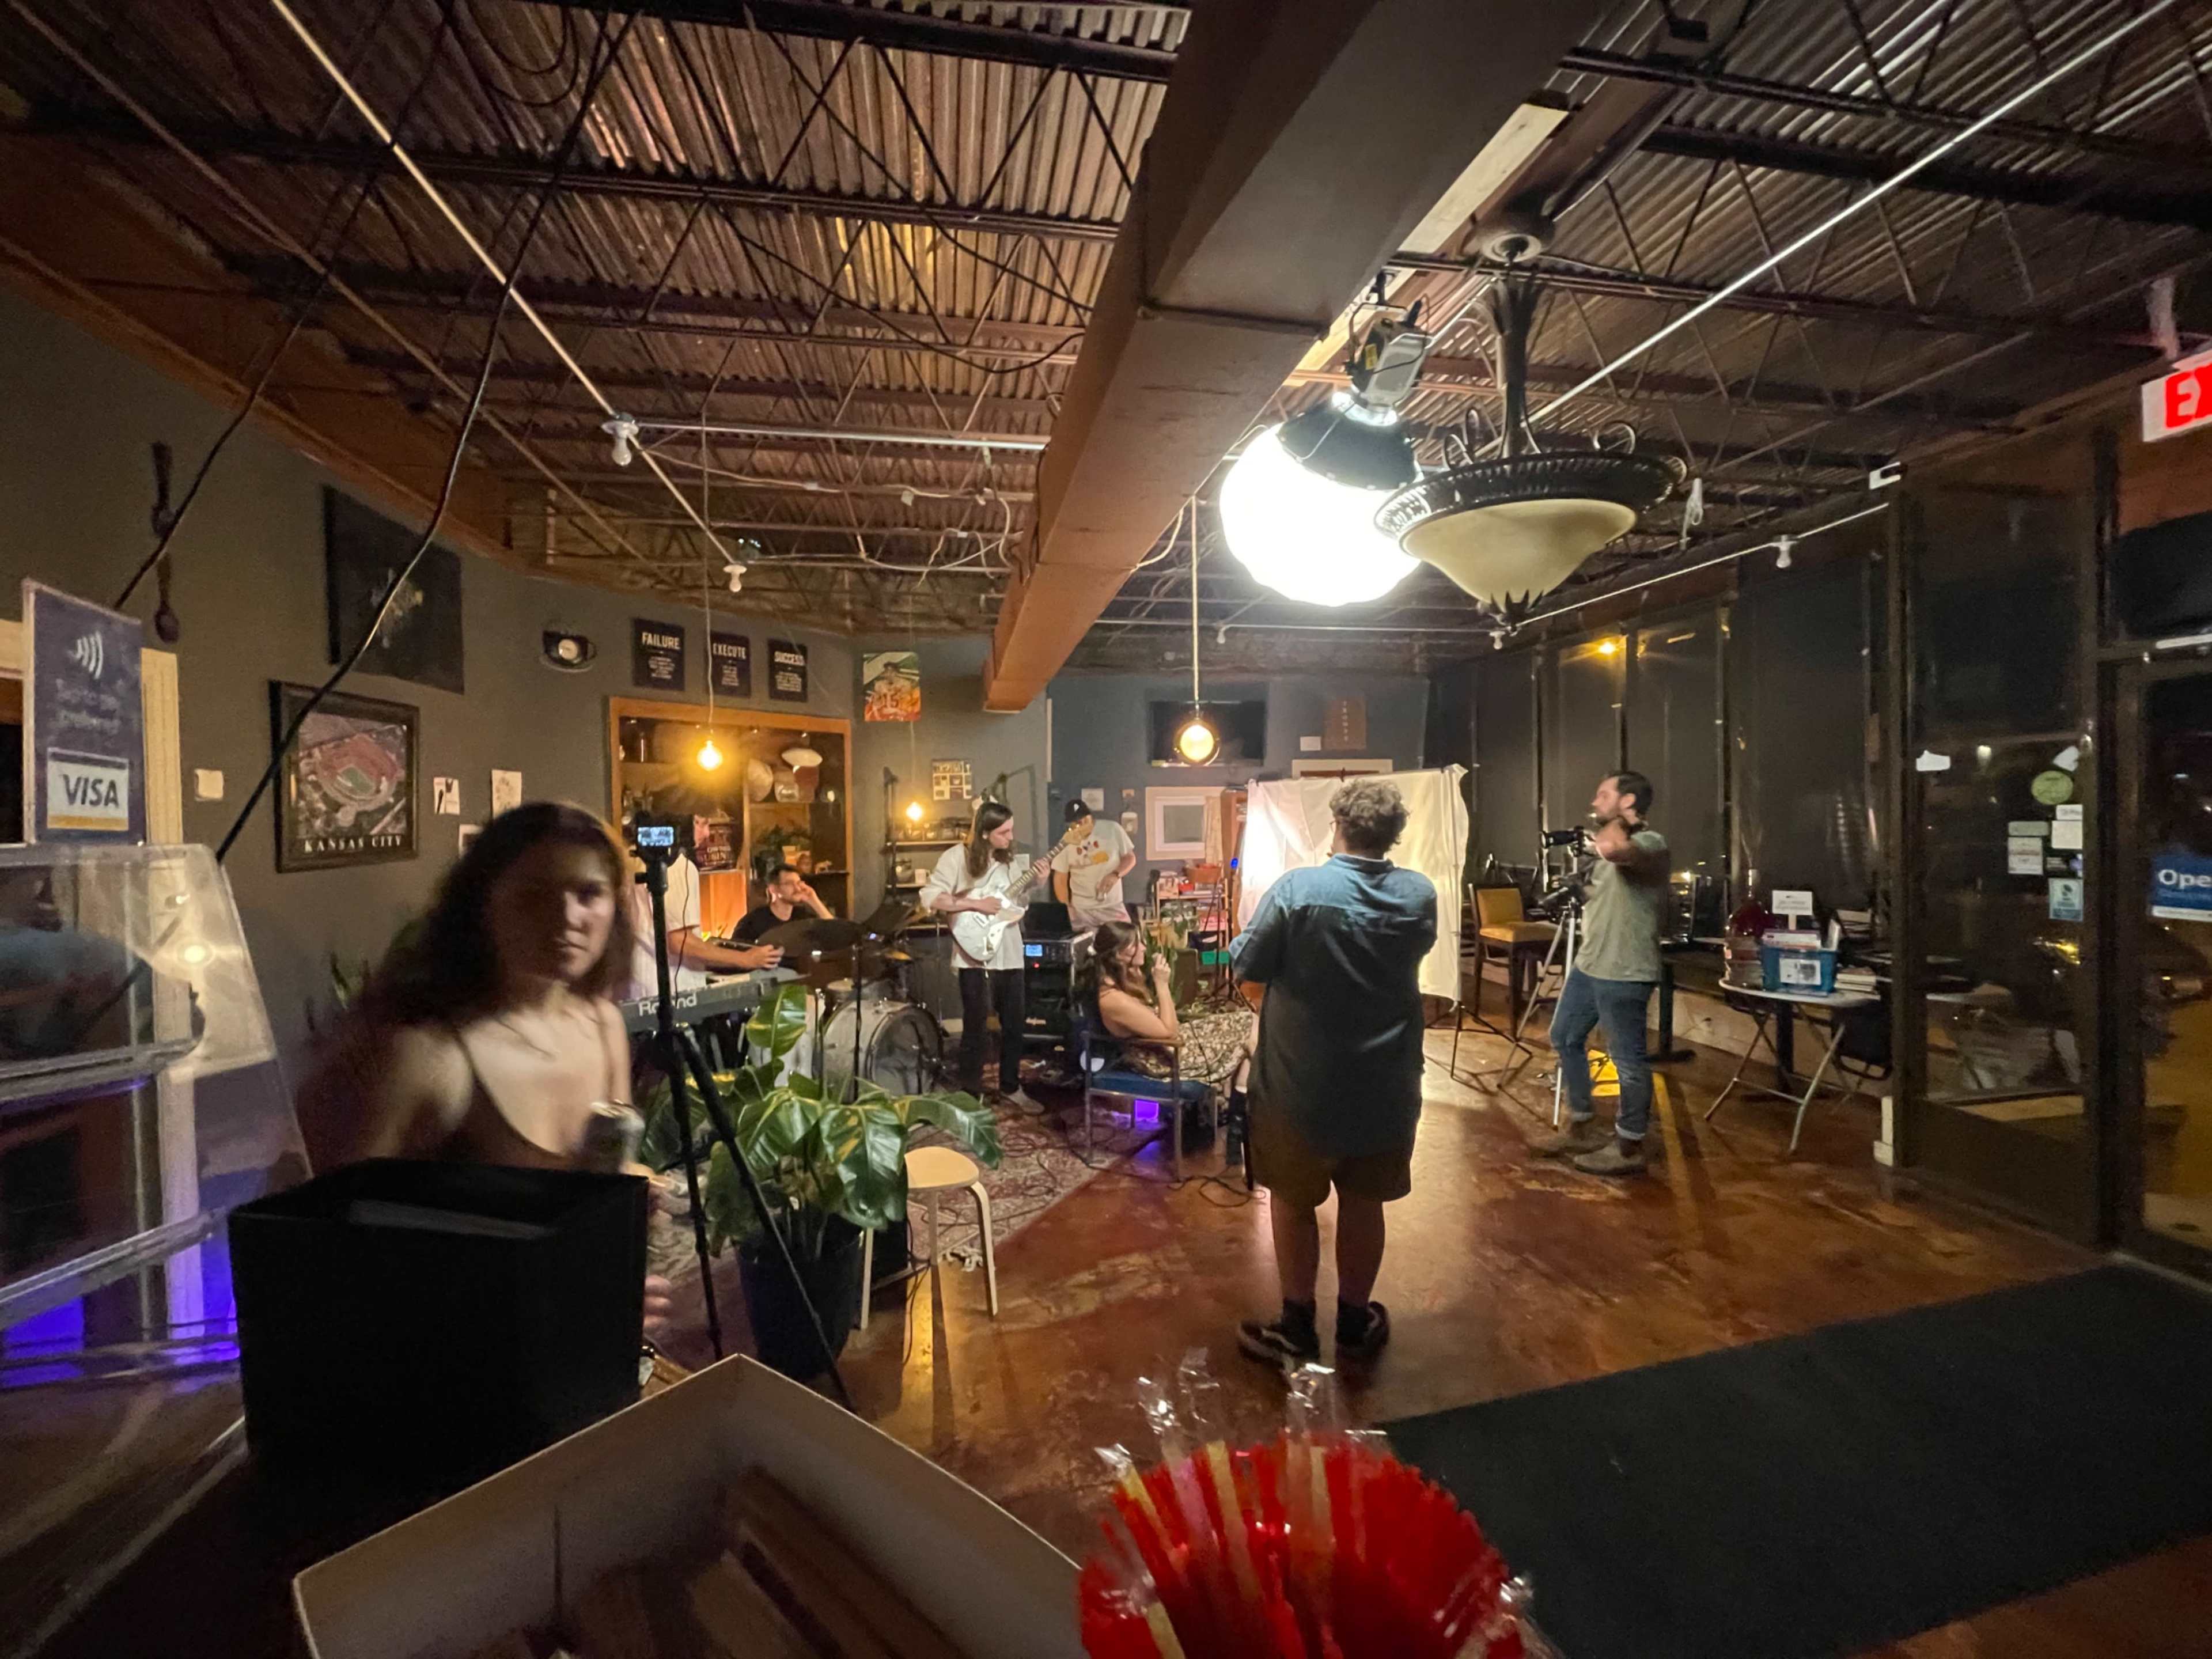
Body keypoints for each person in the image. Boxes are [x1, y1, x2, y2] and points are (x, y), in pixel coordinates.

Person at [297, 802, 673, 1331]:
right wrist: (558, 1295)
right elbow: (326, 1252)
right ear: (481, 902)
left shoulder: (602, 1024)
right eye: (535, 895)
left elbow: (584, 1190)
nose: (568, 918)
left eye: (589, 894)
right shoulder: (426, 1056)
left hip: (566, 1340)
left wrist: (626, 1204)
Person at [1229, 778, 1436, 1369]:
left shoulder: (1298, 890)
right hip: (1386, 1081)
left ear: (1337, 825)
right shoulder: (1419, 895)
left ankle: (1297, 1327)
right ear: (1393, 834)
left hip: (1300, 1082)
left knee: (1292, 1200)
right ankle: (1354, 1319)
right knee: (1365, 1200)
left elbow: (1247, 964)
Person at [1532, 770, 1671, 1177]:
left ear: (1628, 801)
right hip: (1591, 963)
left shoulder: (1651, 844)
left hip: (1625, 969)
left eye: (1603, 795)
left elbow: (1613, 848)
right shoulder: (1607, 849)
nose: (1594, 803)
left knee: (1627, 1060)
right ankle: (1582, 1125)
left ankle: (1629, 1146)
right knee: (1564, 1036)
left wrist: (1616, 825)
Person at [919, 800, 1050, 1110]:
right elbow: (931, 896)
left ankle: (1011, 1086)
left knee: (1015, 1024)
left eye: (1011, 830)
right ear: (985, 833)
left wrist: (1037, 883)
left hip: (1010, 951)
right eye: (1004, 832)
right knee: (975, 1026)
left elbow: (1015, 903)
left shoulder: (1009, 861)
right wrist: (975, 904)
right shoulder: (957, 857)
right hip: (973, 955)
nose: (1011, 837)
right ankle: (969, 1093)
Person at [1080, 916, 1253, 1101]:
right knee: (1251, 1031)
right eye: (1137, 945)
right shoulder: (1114, 999)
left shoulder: (1122, 980)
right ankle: (1246, 1106)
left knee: (1249, 1020)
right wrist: (1162, 984)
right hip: (1161, 1058)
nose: (1144, 948)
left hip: (1167, 1045)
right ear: (1119, 955)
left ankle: (1240, 1101)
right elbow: (1170, 1032)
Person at [624, 823, 781, 997]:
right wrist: (746, 959)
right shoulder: (676, 864)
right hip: (671, 993)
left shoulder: (630, 858)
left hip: (637, 987)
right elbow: (680, 941)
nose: (707, 833)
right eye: (700, 823)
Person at [1051, 800, 1137, 928]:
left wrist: (1115, 875)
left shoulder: (1112, 829)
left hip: (1112, 905)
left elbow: (1130, 858)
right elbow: (1060, 877)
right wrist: (1067, 907)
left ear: (1090, 817)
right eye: (1076, 823)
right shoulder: (1067, 841)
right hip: (1082, 909)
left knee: (1125, 936)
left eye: (1084, 821)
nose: (1081, 826)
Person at [732, 862, 834, 945]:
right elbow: (738, 953)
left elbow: (834, 933)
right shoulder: (753, 922)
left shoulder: (803, 916)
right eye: (789, 884)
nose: (798, 888)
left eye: (798, 883)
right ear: (773, 889)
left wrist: (813, 900)